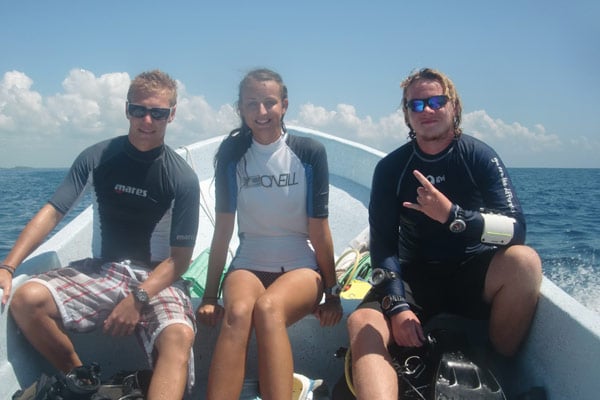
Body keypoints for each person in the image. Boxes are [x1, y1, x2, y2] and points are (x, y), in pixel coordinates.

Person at [0, 70, 200, 400]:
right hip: (104, 269)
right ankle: (84, 383)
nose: (147, 120)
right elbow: (53, 211)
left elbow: (180, 261)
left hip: (158, 277)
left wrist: (139, 297)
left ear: (172, 115)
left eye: (158, 113)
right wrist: (8, 266)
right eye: (138, 110)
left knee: (178, 335)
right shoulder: (98, 157)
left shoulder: (182, 178)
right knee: (26, 300)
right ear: (126, 110)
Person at [346, 68, 543, 399]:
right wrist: (396, 305)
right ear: (407, 115)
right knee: (362, 322)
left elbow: (516, 230)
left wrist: (454, 218)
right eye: (416, 105)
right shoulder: (392, 169)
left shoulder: (479, 157)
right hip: (414, 278)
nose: (427, 110)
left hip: (472, 274)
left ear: (455, 107)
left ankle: (500, 370)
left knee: (524, 262)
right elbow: (382, 242)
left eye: (437, 101)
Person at [196, 68, 343, 400]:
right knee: (236, 313)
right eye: (252, 104)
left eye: (269, 103)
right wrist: (208, 297)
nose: (261, 112)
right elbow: (222, 231)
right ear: (240, 109)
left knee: (268, 308)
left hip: (300, 266)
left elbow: (319, 230)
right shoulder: (232, 157)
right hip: (248, 263)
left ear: (284, 105)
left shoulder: (309, 153)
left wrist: (332, 294)